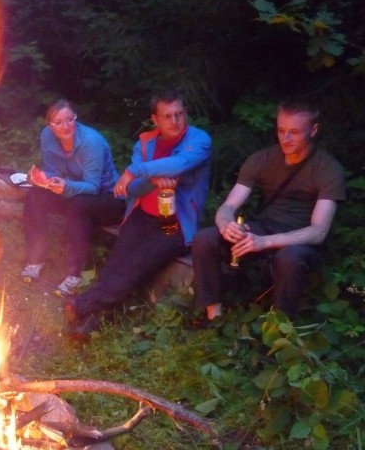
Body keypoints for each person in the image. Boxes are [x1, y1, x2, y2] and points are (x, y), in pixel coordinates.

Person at [64, 90, 211, 339]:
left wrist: (136, 170)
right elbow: (132, 189)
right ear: (155, 119)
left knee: (135, 265)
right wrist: (153, 180)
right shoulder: (145, 144)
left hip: (172, 224)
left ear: (185, 113)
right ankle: (91, 321)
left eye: (179, 114)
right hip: (142, 214)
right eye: (167, 116)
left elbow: (181, 164)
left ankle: (82, 305)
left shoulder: (198, 140)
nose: (175, 121)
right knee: (117, 263)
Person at [191, 100, 345, 324]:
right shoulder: (262, 159)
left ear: (313, 130)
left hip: (301, 241)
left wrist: (265, 242)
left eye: (294, 132)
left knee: (289, 257)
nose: (286, 139)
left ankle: (281, 330)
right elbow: (228, 206)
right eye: (281, 131)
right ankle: (214, 317)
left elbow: (318, 232)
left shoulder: (328, 169)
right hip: (266, 227)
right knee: (205, 238)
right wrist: (226, 224)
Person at [21, 99, 125, 297]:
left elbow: (93, 187)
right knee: (35, 196)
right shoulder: (47, 137)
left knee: (78, 205)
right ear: (49, 125)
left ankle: (74, 274)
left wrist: (66, 186)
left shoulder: (90, 142)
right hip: (73, 191)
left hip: (108, 199)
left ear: (75, 119)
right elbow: (52, 169)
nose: (65, 126)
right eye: (58, 122)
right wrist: (47, 181)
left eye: (69, 119)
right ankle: (36, 259)